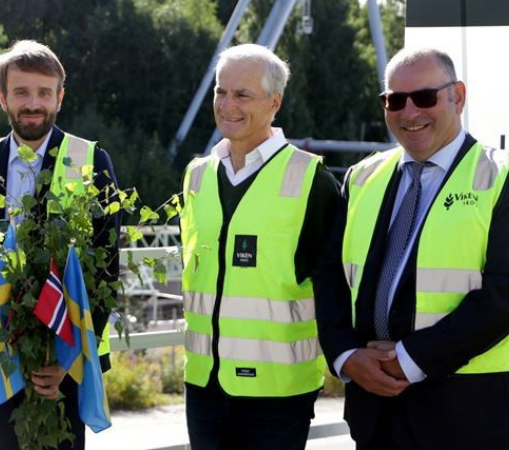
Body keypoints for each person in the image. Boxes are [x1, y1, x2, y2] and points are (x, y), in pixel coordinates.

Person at [316, 46, 509, 449]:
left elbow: (502, 294)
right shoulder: (361, 178)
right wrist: (345, 356)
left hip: (470, 412)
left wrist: (409, 359)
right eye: (394, 100)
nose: (408, 112)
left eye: (424, 97)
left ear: (458, 95)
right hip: (374, 411)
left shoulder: (499, 177)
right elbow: (330, 275)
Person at [0, 40, 119, 450]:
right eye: (21, 92)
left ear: (60, 98)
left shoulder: (91, 160)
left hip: (62, 357)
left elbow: (106, 267)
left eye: (44, 93)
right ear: (2, 97)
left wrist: (68, 361)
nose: (33, 103)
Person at [179, 43, 342, 450]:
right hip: (203, 385)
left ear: (275, 102)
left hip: (277, 394)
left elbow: (336, 284)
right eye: (221, 91)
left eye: (242, 94)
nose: (226, 104)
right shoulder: (196, 176)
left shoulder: (311, 180)